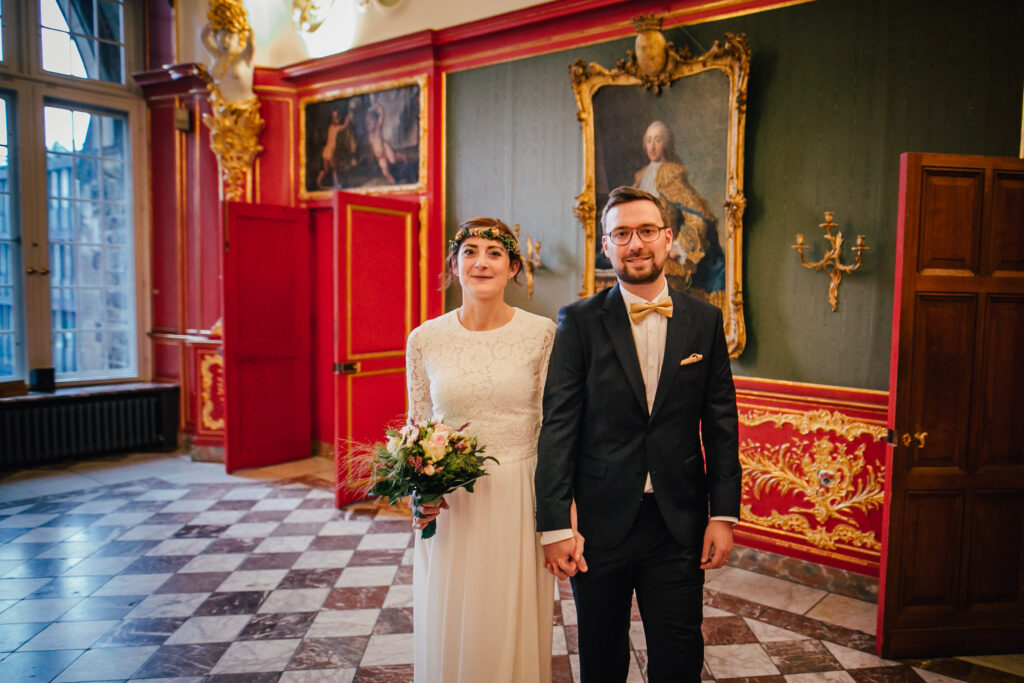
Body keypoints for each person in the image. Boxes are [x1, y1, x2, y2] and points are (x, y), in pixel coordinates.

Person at [536, 186, 741, 682]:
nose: (636, 243)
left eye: (647, 231)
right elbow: (559, 425)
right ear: (606, 246)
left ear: (668, 239)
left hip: (678, 522)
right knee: (603, 656)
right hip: (599, 522)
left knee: (679, 653)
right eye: (622, 234)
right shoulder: (579, 321)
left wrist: (724, 515)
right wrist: (555, 525)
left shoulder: (705, 321)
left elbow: (720, 424)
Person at [407, 218, 571, 682]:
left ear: (513, 267)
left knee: (508, 615)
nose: (481, 262)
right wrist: (421, 491)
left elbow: (555, 428)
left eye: (495, 253)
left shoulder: (542, 334)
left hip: (520, 494)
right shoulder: (424, 339)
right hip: (453, 503)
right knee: (453, 610)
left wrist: (562, 511)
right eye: (470, 252)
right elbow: (417, 425)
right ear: (454, 264)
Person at [633, 121, 726, 303]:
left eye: (657, 140)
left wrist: (678, 246)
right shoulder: (640, 177)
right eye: (649, 140)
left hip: (667, 262)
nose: (652, 146)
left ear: (666, 144)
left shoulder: (672, 174)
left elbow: (698, 218)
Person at [316, 108, 355, 188]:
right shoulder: (335, 128)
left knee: (325, 170)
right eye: (336, 118)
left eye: (339, 117)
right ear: (333, 119)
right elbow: (344, 126)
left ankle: (318, 182)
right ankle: (337, 184)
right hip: (330, 152)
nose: (338, 119)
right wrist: (347, 119)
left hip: (325, 152)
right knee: (335, 170)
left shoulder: (330, 127)